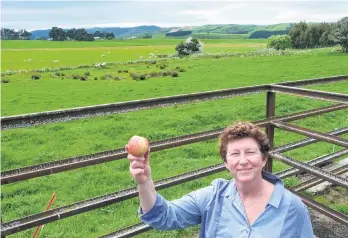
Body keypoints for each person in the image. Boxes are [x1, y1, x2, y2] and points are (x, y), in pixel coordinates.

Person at [126, 122, 314, 238]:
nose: (243, 161)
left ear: (264, 159)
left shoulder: (292, 208)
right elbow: (163, 216)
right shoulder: (213, 197)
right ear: (225, 162)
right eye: (234, 154)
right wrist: (144, 182)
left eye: (250, 152)